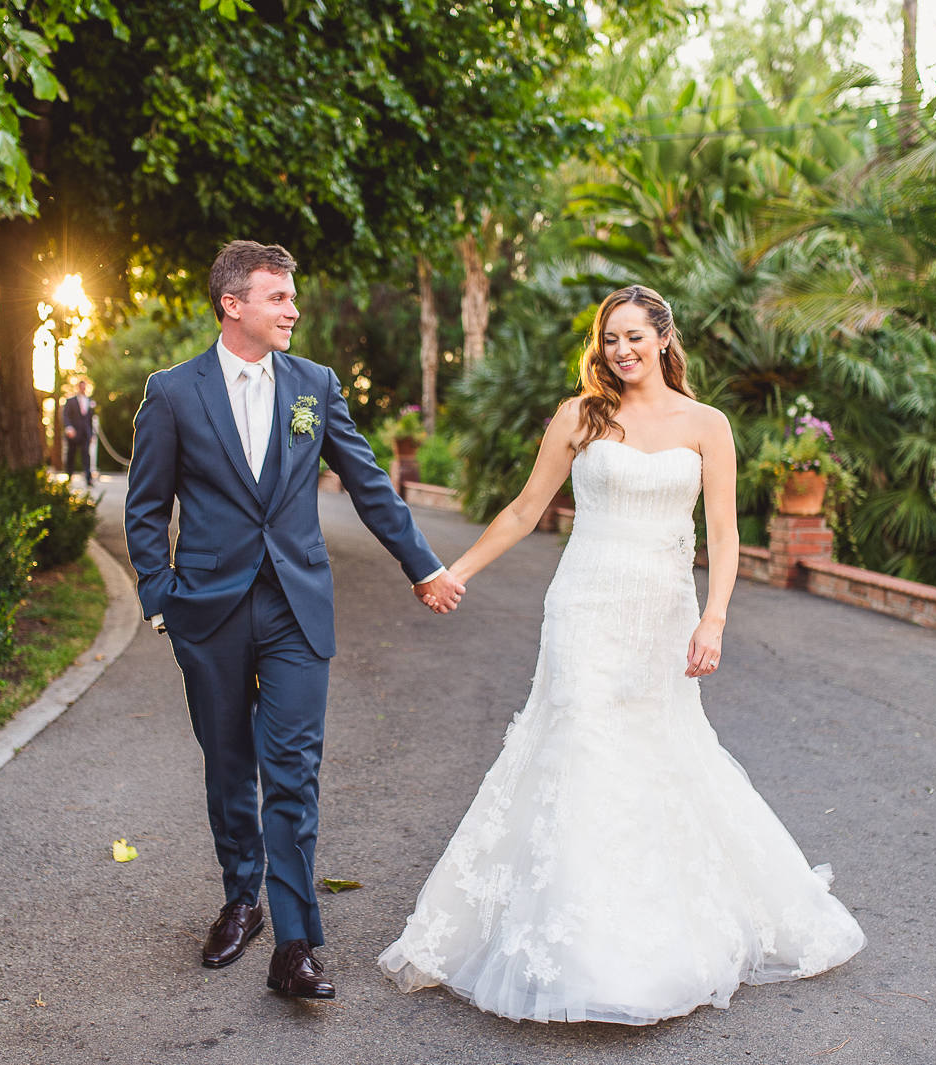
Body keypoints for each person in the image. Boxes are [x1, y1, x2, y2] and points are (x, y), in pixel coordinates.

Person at [378, 285, 866, 1024]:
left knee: (660, 753)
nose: (622, 350)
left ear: (665, 339)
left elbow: (727, 536)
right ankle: (583, 950)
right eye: (610, 339)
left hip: (662, 617)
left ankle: (656, 933)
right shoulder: (581, 416)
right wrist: (456, 572)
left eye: (635, 336)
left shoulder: (708, 425)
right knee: (580, 744)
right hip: (584, 606)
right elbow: (522, 508)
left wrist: (715, 619)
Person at [124, 240, 466, 1001]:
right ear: (232, 304)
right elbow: (146, 508)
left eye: (292, 296)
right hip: (207, 610)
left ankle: (296, 943)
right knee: (227, 763)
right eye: (277, 297)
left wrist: (425, 565)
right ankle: (240, 897)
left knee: (292, 771)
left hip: (295, 607)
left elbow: (368, 481)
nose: (293, 310)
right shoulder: (174, 392)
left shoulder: (314, 384)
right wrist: (160, 601)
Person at [63, 377, 96, 485]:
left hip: (85, 433)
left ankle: (88, 478)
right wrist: (69, 427)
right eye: (81, 386)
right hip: (73, 433)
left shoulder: (90, 401)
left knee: (86, 455)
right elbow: (66, 415)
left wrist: (91, 434)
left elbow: (90, 419)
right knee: (71, 454)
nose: (83, 388)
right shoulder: (70, 401)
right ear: (78, 387)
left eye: (84, 387)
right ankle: (69, 476)